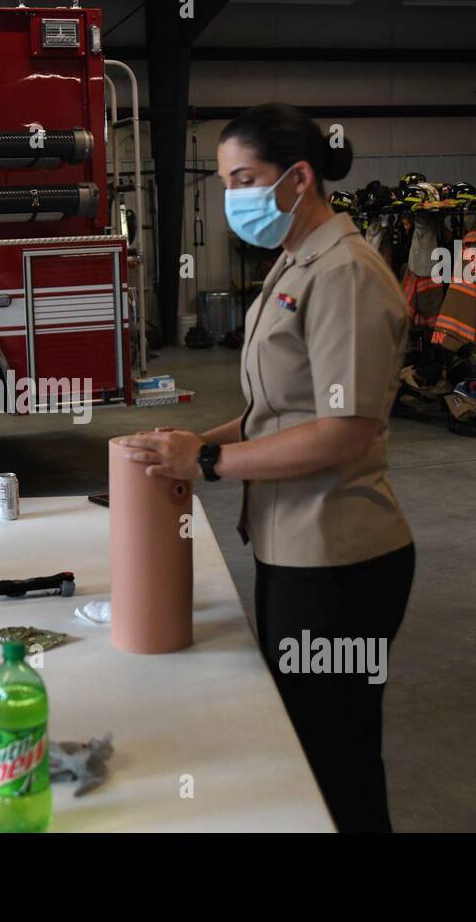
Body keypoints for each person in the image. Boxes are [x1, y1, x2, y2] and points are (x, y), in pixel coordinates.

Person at [121, 103, 414, 833]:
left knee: (336, 761)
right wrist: (195, 438)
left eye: (244, 178)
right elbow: (277, 411)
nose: (233, 198)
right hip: (295, 550)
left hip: (341, 561)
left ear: (299, 176)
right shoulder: (295, 258)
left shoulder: (345, 272)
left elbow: (345, 432)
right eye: (225, 182)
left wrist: (211, 460)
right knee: (309, 747)